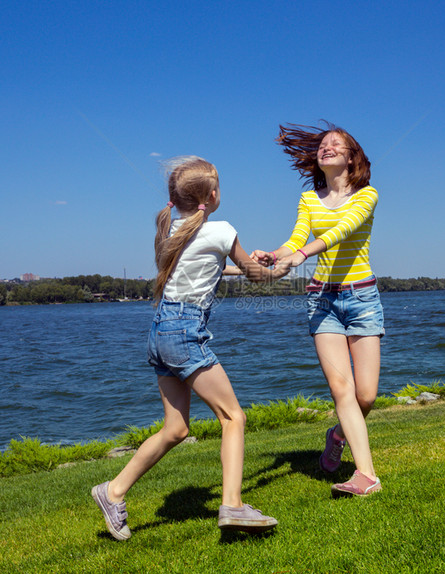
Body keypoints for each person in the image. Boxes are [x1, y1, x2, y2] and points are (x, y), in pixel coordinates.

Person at [92, 156, 288, 540]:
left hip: (160, 331)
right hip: (184, 331)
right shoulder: (222, 230)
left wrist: (243, 261)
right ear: (212, 195)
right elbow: (260, 277)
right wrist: (286, 262)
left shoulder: (172, 230)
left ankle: (112, 491)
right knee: (234, 417)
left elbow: (210, 265)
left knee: (176, 429)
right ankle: (232, 505)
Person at [252, 122, 384, 497]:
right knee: (342, 388)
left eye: (335, 144)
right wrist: (277, 254)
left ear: (351, 156)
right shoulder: (310, 199)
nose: (326, 147)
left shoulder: (367, 195)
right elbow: (298, 236)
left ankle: (337, 435)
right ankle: (366, 475)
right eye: (323, 144)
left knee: (366, 396)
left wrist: (301, 255)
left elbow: (341, 230)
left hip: (362, 298)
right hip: (322, 300)